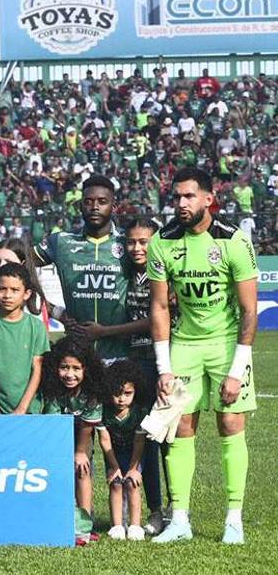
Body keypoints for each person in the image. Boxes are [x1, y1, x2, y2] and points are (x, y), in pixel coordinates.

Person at [148, 167, 258, 544]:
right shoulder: (162, 242)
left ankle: (233, 520)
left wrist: (237, 368)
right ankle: (179, 520)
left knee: (230, 425)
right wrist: (164, 367)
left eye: (189, 196)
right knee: (180, 427)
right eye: (176, 197)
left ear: (208, 198)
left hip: (226, 343)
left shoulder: (233, 241)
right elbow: (160, 308)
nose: (181, 203)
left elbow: (248, 311)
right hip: (185, 347)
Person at [35, 175, 144, 362]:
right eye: (88, 202)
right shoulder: (61, 242)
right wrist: (56, 312)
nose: (94, 207)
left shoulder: (128, 243)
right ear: (80, 206)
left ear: (114, 206)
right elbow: (19, 266)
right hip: (77, 358)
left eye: (102, 202)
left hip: (120, 354)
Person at [121, 217, 166, 534]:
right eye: (131, 242)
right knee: (144, 438)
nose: (137, 248)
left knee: (165, 441)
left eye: (144, 242)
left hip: (159, 362)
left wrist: (105, 331)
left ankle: (174, 510)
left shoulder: (162, 274)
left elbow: (154, 320)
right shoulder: (126, 274)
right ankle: (153, 510)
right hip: (134, 363)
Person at [39, 337, 105, 544]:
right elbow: (54, 425)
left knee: (83, 470)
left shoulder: (93, 392)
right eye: (64, 367)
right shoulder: (53, 390)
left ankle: (84, 525)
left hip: (82, 438)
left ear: (87, 369)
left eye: (76, 368)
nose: (70, 374)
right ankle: (58, 518)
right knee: (59, 472)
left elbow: (87, 427)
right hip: (57, 437)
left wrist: (80, 453)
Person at [0, 263, 49, 414]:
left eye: (15, 290)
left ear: (26, 294)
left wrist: (22, 409)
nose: (7, 295)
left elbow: (37, 370)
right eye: (2, 289)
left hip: (30, 410)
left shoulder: (36, 327)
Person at [97, 360, 152, 541]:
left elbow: (138, 442)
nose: (122, 399)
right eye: (117, 394)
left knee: (131, 482)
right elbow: (105, 440)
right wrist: (113, 466)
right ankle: (117, 526)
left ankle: (135, 525)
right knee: (116, 483)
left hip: (134, 453)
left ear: (136, 391)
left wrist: (134, 468)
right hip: (113, 452)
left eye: (128, 393)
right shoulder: (104, 411)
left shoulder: (139, 412)